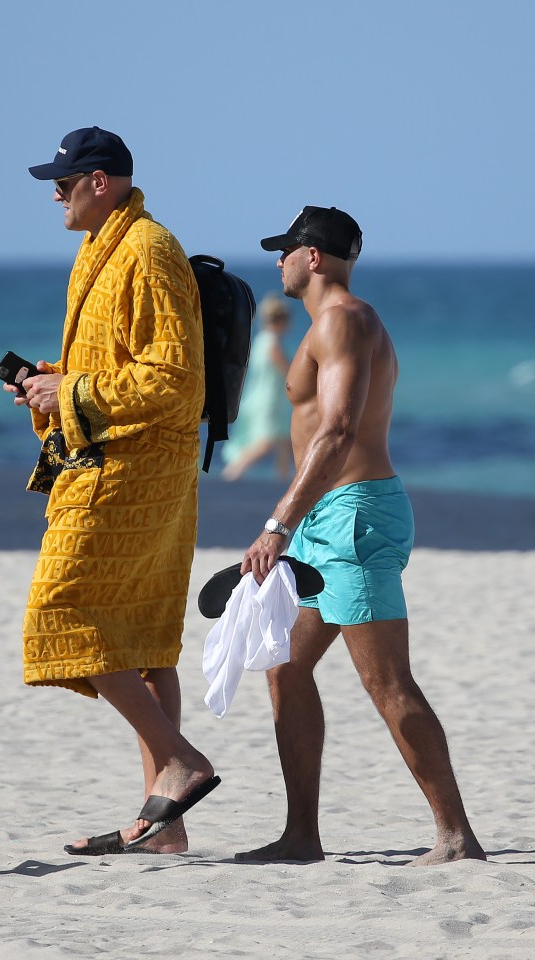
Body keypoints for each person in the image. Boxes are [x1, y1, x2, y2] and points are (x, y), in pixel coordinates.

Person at [235, 205, 485, 865]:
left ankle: (455, 837)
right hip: (325, 518)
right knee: (285, 666)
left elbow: (338, 430)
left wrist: (275, 523)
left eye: (284, 250)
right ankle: (300, 836)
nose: (278, 261)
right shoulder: (326, 326)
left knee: (388, 680)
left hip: (354, 515)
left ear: (311, 256)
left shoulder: (345, 320)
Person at [3, 126, 219, 855]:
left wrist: (74, 390)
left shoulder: (151, 250)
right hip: (115, 459)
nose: (55, 196)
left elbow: (175, 379)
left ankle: (181, 762)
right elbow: (110, 363)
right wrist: (50, 385)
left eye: (62, 183)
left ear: (101, 181)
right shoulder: (100, 248)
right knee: (147, 640)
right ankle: (166, 828)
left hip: (136, 470)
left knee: (62, 608)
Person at [221, 293, 293, 480]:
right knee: (266, 442)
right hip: (269, 400)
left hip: (267, 397)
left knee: (285, 440)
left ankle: (283, 480)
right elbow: (288, 371)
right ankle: (231, 474)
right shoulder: (272, 343)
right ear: (281, 320)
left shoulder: (261, 340)